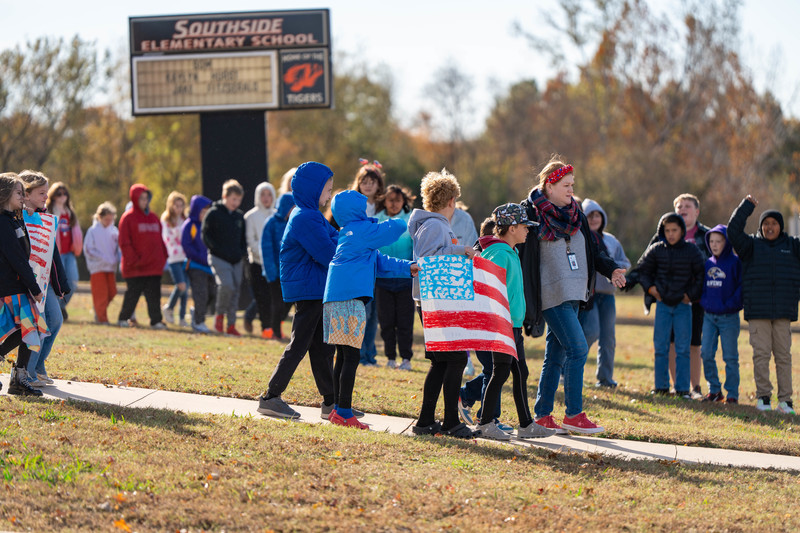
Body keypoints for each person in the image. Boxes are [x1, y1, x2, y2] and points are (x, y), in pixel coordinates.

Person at [518, 156, 626, 435]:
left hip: (576, 294)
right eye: (565, 185)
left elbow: (594, 252)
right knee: (578, 349)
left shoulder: (576, 215)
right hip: (551, 294)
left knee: (554, 356)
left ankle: (542, 415)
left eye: (572, 185)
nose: (571, 190)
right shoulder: (531, 214)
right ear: (549, 186)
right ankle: (574, 414)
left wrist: (612, 269)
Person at [323, 189, 417, 428]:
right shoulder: (362, 230)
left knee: (343, 355)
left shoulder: (349, 233)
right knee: (351, 355)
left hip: (335, 299)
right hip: (350, 298)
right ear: (357, 210)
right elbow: (396, 228)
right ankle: (344, 412)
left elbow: (380, 262)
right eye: (365, 207)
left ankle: (336, 410)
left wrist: (409, 267)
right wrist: (410, 215)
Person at [257, 162, 338, 420]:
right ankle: (270, 397)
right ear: (314, 190)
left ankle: (331, 403)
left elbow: (335, 238)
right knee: (299, 345)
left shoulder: (309, 213)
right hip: (308, 290)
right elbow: (328, 252)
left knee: (322, 348)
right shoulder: (305, 216)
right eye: (327, 190)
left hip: (315, 289)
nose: (329, 196)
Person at [473, 203, 556, 441]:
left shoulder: (509, 251)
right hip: (503, 324)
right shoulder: (499, 254)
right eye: (524, 226)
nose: (528, 231)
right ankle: (485, 423)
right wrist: (503, 321)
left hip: (513, 324)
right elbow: (490, 291)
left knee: (520, 372)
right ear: (511, 228)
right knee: (501, 372)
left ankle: (526, 424)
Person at [408, 168, 477, 438]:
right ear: (451, 202)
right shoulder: (436, 225)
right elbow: (428, 258)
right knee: (456, 358)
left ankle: (426, 422)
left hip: (434, 301)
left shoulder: (434, 224)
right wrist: (462, 250)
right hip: (437, 302)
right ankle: (450, 421)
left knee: (441, 362)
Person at [727, 195, 800, 414]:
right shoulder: (750, 245)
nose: (770, 227)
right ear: (761, 227)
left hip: (783, 312)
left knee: (784, 357)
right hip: (758, 311)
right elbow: (732, 231)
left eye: (774, 224)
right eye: (766, 224)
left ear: (781, 226)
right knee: (761, 355)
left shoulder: (793, 246)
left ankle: (786, 401)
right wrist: (746, 206)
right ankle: (763, 398)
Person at [636, 213, 704, 398]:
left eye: (674, 230)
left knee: (683, 348)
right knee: (661, 347)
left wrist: (690, 295)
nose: (671, 234)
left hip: (683, 306)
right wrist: (651, 289)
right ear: (662, 231)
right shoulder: (657, 249)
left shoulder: (692, 250)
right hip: (663, 305)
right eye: (667, 230)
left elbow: (701, 275)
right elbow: (642, 270)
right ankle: (661, 387)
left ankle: (682, 389)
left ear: (682, 230)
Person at [19, 170, 70, 386]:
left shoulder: (46, 218)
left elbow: (53, 254)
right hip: (27, 283)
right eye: (41, 193)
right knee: (35, 327)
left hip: (46, 283)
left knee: (55, 320)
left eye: (46, 193)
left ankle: (38, 365)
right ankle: (27, 373)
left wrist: (61, 285)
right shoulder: (16, 216)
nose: (45, 198)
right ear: (26, 194)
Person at [0, 173, 48, 396]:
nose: (23, 197)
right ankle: (17, 376)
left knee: (33, 330)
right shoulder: (2, 222)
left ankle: (18, 379)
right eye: (19, 193)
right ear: (5, 194)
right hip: (10, 287)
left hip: (19, 286)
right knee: (28, 330)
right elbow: (17, 259)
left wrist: (27, 213)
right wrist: (35, 289)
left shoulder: (14, 219)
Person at [579, 199, 631, 388]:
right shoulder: (581, 238)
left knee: (608, 338)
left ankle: (605, 377)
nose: (594, 219)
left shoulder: (611, 240)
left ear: (603, 218)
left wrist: (617, 269)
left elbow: (624, 262)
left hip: (608, 296)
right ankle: (573, 371)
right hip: (590, 296)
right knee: (590, 333)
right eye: (590, 215)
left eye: (597, 215)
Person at [698, 225, 742, 404]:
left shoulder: (735, 263)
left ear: (727, 242)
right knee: (706, 353)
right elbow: (702, 287)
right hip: (709, 316)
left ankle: (732, 394)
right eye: (711, 241)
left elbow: (741, 288)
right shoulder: (708, 263)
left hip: (729, 317)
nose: (714, 245)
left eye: (719, 241)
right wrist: (704, 302)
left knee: (730, 357)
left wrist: (729, 305)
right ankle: (714, 390)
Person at [374, 185, 416, 370]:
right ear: (384, 200)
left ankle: (406, 358)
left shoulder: (411, 221)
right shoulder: (376, 220)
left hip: (406, 278)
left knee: (405, 322)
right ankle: (390, 357)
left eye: (398, 200)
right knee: (387, 322)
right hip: (383, 279)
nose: (394, 204)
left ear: (404, 202)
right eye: (390, 200)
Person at [350, 160, 386, 366]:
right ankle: (360, 354)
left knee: (374, 315)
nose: (368, 185)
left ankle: (370, 354)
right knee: (364, 310)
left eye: (373, 181)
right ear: (358, 183)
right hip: (359, 263)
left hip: (379, 264)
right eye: (364, 181)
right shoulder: (352, 204)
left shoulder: (383, 206)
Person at [117, 184, 168, 329]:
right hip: (136, 268)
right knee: (132, 295)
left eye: (146, 198)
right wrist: (134, 260)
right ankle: (123, 318)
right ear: (135, 199)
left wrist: (163, 256)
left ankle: (156, 320)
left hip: (154, 266)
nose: (145, 201)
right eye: (142, 198)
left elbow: (160, 239)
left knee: (154, 296)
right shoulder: (127, 218)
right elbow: (124, 243)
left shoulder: (153, 217)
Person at [202, 179, 246, 336]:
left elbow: (242, 239)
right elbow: (205, 235)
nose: (236, 202)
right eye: (233, 199)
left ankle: (231, 324)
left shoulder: (239, 217)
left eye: (239, 199)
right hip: (218, 258)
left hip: (236, 260)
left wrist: (241, 253)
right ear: (225, 196)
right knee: (226, 285)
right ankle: (219, 316)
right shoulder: (213, 213)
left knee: (235, 291)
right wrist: (216, 249)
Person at [261, 192, 295, 341]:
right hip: (274, 272)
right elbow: (266, 249)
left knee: (287, 303)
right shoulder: (271, 223)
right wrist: (271, 271)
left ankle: (277, 327)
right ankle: (275, 331)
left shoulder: (292, 223)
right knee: (277, 304)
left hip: (289, 273)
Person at [244, 181, 276, 337]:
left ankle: (272, 326)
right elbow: (251, 241)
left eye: (269, 194)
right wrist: (265, 255)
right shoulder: (250, 216)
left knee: (273, 297)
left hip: (275, 264)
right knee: (261, 297)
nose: (266, 198)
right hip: (256, 264)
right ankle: (266, 328)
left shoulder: (277, 215)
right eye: (262, 194)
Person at [46, 181, 82, 319]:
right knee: (57, 282)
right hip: (57, 254)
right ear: (53, 196)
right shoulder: (49, 211)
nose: (62, 196)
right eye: (59, 194)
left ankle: (61, 307)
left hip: (69, 253)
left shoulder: (70, 213)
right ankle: (57, 309)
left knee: (73, 280)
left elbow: (76, 232)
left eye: (65, 193)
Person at [181, 195, 216, 334]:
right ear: (196, 210)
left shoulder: (208, 226)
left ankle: (197, 312)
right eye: (202, 211)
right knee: (201, 293)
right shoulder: (190, 225)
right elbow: (186, 245)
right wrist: (201, 257)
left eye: (207, 211)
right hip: (195, 265)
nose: (205, 214)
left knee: (212, 293)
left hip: (209, 266)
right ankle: (198, 322)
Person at [83, 202, 120, 325]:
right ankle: (102, 318)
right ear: (99, 217)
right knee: (101, 294)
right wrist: (102, 258)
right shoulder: (93, 231)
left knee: (112, 291)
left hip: (110, 267)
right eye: (106, 219)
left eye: (111, 219)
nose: (108, 221)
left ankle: (99, 310)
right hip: (97, 267)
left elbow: (118, 248)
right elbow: (88, 249)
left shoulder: (114, 231)